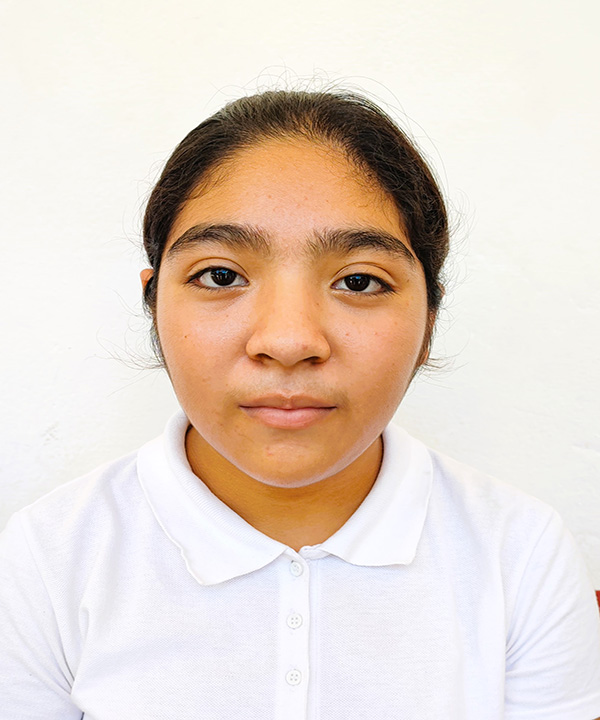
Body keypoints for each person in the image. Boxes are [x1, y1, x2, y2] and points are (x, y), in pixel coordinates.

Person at [1, 89, 599, 720]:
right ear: (153, 307)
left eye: (359, 281)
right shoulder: (47, 556)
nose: (288, 341)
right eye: (221, 276)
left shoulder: (520, 554)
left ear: (429, 321)